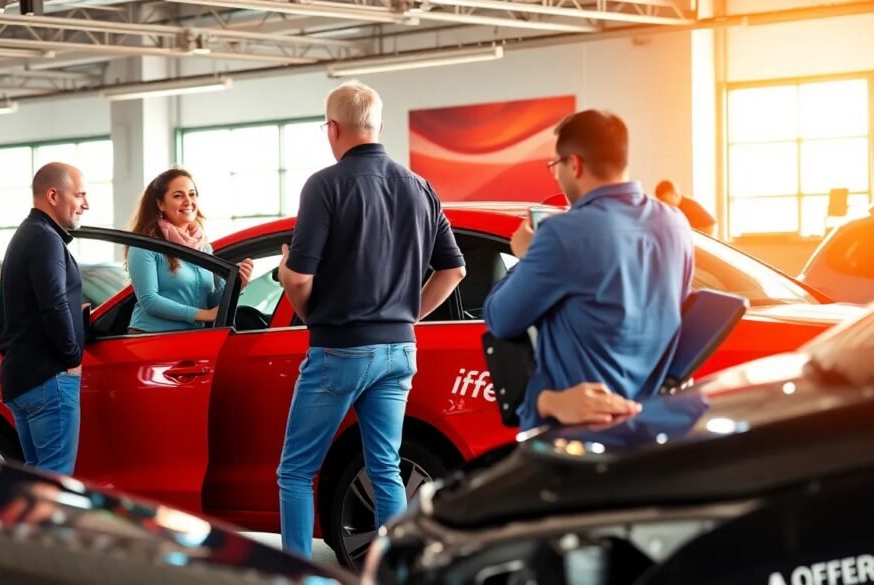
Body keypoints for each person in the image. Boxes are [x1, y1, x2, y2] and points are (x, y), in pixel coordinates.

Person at [276, 80, 467, 559]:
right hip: (400, 350)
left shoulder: (325, 184)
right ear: (377, 126)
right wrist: (408, 316)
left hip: (340, 347)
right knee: (385, 467)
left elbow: (298, 277)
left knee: (296, 471)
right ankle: (397, 572)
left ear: (332, 128)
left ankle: (295, 573)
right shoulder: (421, 187)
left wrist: (294, 289)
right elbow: (455, 269)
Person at [483, 110, 694, 431]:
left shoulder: (563, 234)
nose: (556, 175)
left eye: (555, 166)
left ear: (575, 164)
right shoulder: (675, 223)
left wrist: (526, 255)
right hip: (650, 420)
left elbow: (500, 318)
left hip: (582, 431)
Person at [0, 162, 89, 475]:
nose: (85, 204)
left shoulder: (27, 234)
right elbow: (54, 303)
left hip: (22, 378)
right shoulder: (46, 239)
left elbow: (38, 303)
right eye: (79, 195)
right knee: (55, 482)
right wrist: (72, 356)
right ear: (53, 195)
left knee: (37, 480)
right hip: (49, 378)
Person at [126, 168, 252, 333]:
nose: (188, 201)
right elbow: (150, 300)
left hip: (191, 338)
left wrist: (237, 285)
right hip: (151, 338)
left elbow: (212, 300)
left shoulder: (204, 247)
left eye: (192, 194)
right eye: (178, 196)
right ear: (160, 204)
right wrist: (204, 315)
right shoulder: (145, 246)